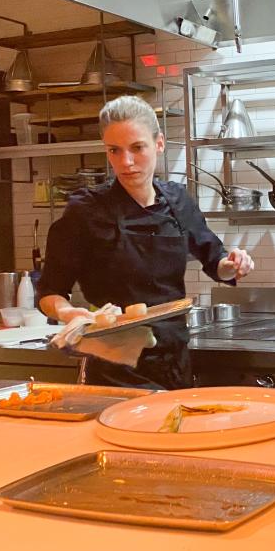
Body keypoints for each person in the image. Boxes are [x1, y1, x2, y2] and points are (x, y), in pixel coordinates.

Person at [37, 95, 254, 389]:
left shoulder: (177, 200)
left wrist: (234, 264)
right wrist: (66, 312)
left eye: (137, 148)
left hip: (174, 359)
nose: (126, 162)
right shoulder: (86, 209)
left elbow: (216, 262)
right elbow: (50, 291)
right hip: (114, 368)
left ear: (159, 143)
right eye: (115, 151)